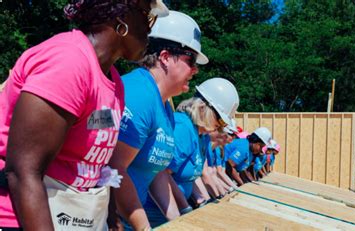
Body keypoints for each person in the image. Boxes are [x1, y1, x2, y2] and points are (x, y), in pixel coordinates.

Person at [0, 0, 169, 230]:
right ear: (122, 17)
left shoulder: (114, 82)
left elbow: (95, 145)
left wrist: (111, 219)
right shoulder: (68, 63)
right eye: (146, 16)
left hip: (73, 219)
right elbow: (22, 172)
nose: (150, 29)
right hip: (20, 219)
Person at [108, 10, 206, 231]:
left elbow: (157, 172)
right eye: (190, 60)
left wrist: (179, 220)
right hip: (111, 221)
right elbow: (113, 169)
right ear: (164, 57)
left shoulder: (165, 106)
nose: (195, 70)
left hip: (131, 220)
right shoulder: (139, 95)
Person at [144, 77, 239, 227]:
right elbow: (160, 174)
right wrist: (184, 209)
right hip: (157, 213)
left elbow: (192, 176)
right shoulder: (183, 128)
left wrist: (204, 201)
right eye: (219, 120)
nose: (220, 127)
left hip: (175, 210)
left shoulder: (202, 135)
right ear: (203, 108)